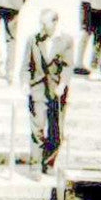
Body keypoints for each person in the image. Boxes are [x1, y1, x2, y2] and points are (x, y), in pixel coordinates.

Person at [22, 9, 71, 173]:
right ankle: (35, 165)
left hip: (57, 90)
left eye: (45, 24)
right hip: (38, 88)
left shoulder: (66, 40)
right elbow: (26, 66)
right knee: (38, 126)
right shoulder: (33, 40)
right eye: (40, 23)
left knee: (56, 131)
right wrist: (24, 83)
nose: (42, 27)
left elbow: (67, 66)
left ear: (55, 23)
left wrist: (63, 84)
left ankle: (48, 162)